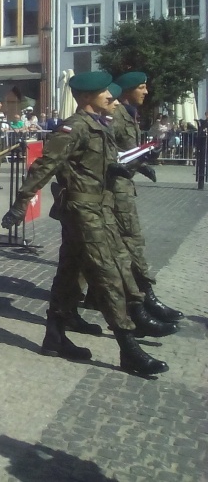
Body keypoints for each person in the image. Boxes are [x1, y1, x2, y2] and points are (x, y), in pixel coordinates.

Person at [2, 70, 168, 376]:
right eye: (106, 92)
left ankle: (55, 336)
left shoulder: (98, 125)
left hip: (100, 209)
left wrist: (121, 169)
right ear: (88, 97)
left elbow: (92, 166)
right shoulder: (74, 127)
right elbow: (44, 166)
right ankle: (128, 348)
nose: (111, 97)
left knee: (69, 272)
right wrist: (20, 204)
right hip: (83, 212)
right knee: (109, 275)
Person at [98, 72, 183, 323]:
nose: (146, 92)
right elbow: (105, 150)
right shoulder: (116, 115)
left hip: (122, 185)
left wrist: (142, 159)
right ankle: (144, 298)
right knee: (131, 243)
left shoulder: (129, 114)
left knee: (95, 251)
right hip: (114, 189)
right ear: (126, 91)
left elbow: (122, 150)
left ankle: (91, 300)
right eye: (141, 87)